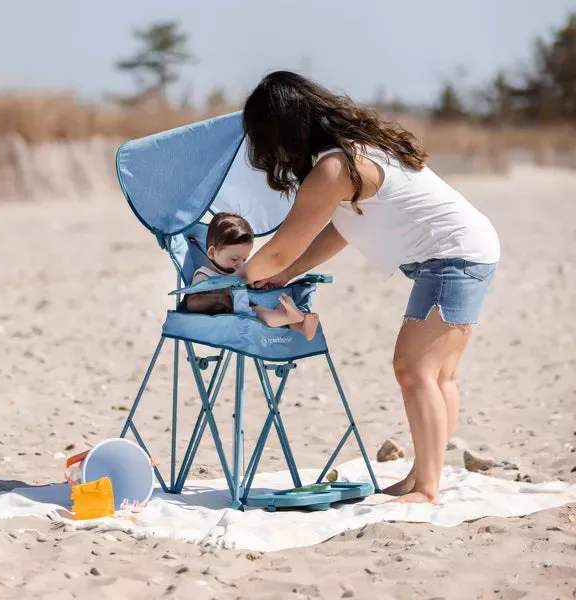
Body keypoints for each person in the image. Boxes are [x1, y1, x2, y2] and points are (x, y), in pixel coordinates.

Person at [236, 71, 500, 504]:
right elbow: (343, 230)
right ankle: (423, 477)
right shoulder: (352, 153)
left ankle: (428, 488)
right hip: (465, 249)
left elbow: (280, 250)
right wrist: (286, 274)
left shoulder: (335, 168)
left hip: (454, 255)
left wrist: (236, 278)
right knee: (438, 374)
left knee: (413, 370)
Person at [186, 212, 320, 340]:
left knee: (277, 304)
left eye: (244, 260)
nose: (240, 265)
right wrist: (222, 296)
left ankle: (301, 327)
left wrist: (252, 284)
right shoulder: (204, 275)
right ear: (211, 253)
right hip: (237, 316)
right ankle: (289, 317)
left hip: (246, 308)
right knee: (260, 312)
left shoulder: (237, 272)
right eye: (234, 259)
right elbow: (193, 303)